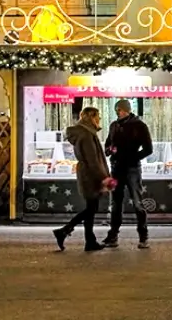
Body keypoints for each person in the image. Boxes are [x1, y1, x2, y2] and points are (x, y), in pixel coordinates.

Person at [53, 107, 113, 252]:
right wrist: (103, 178)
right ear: (91, 117)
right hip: (90, 175)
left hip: (88, 173)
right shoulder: (86, 135)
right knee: (91, 208)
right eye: (98, 116)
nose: (99, 119)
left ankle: (89, 240)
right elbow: (92, 160)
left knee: (91, 209)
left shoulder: (86, 133)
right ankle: (64, 231)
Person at [103, 98, 153, 249]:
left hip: (132, 169)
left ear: (127, 110)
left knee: (138, 202)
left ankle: (143, 236)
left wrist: (132, 157)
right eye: (117, 110)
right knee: (116, 203)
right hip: (116, 168)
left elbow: (148, 149)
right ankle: (113, 235)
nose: (119, 112)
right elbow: (107, 145)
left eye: (120, 110)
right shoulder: (114, 125)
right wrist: (110, 150)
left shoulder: (139, 126)